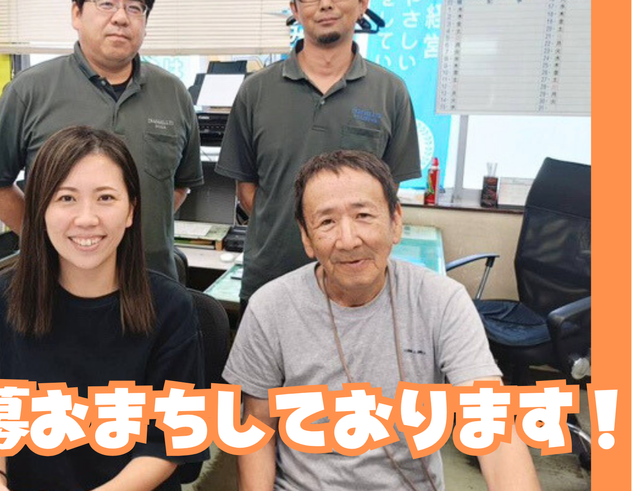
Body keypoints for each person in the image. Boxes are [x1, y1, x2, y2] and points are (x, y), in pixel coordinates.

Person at [223, 150, 540, 491]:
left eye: (363, 215)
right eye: (327, 222)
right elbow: (257, 429)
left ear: (395, 221)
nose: (348, 240)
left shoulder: (442, 300)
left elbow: (494, 429)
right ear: (306, 237)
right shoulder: (270, 308)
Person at [0, 126, 207, 491]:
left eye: (105, 198)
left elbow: (167, 442)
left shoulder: (170, 308)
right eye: (66, 198)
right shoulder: (1, 299)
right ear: (40, 210)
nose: (86, 218)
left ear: (131, 210)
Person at [216, 0, 420, 311]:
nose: (325, 2)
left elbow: (387, 193)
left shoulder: (390, 92)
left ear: (363, 0)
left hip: (356, 289)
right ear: (295, 8)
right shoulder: (255, 91)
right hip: (270, 283)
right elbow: (247, 190)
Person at [0, 0, 203, 280]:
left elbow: (180, 185)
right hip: (58, 286)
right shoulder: (29, 91)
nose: (121, 17)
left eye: (135, 6)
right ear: (76, 13)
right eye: (106, 2)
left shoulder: (174, 94)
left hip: (151, 281)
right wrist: (47, 239)